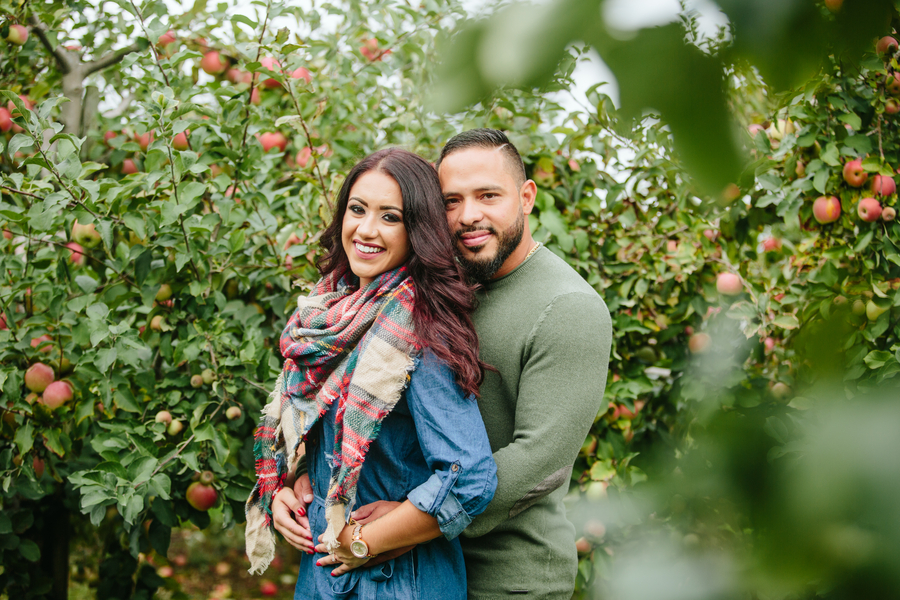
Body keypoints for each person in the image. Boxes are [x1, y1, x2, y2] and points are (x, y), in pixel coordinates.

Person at [279, 129, 612, 598]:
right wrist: (294, 485)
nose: (468, 215)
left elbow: (538, 463)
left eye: (488, 196)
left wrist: (401, 526)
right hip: (412, 566)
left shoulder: (568, 307)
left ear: (527, 196)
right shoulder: (430, 289)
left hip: (507, 576)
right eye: (451, 201)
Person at [246, 148, 498, 600]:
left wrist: (365, 543)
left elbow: (470, 476)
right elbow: (324, 433)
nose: (366, 229)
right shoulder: (330, 313)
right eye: (357, 209)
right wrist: (287, 488)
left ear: (417, 231)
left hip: (398, 580)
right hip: (325, 574)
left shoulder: (417, 328)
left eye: (390, 217)